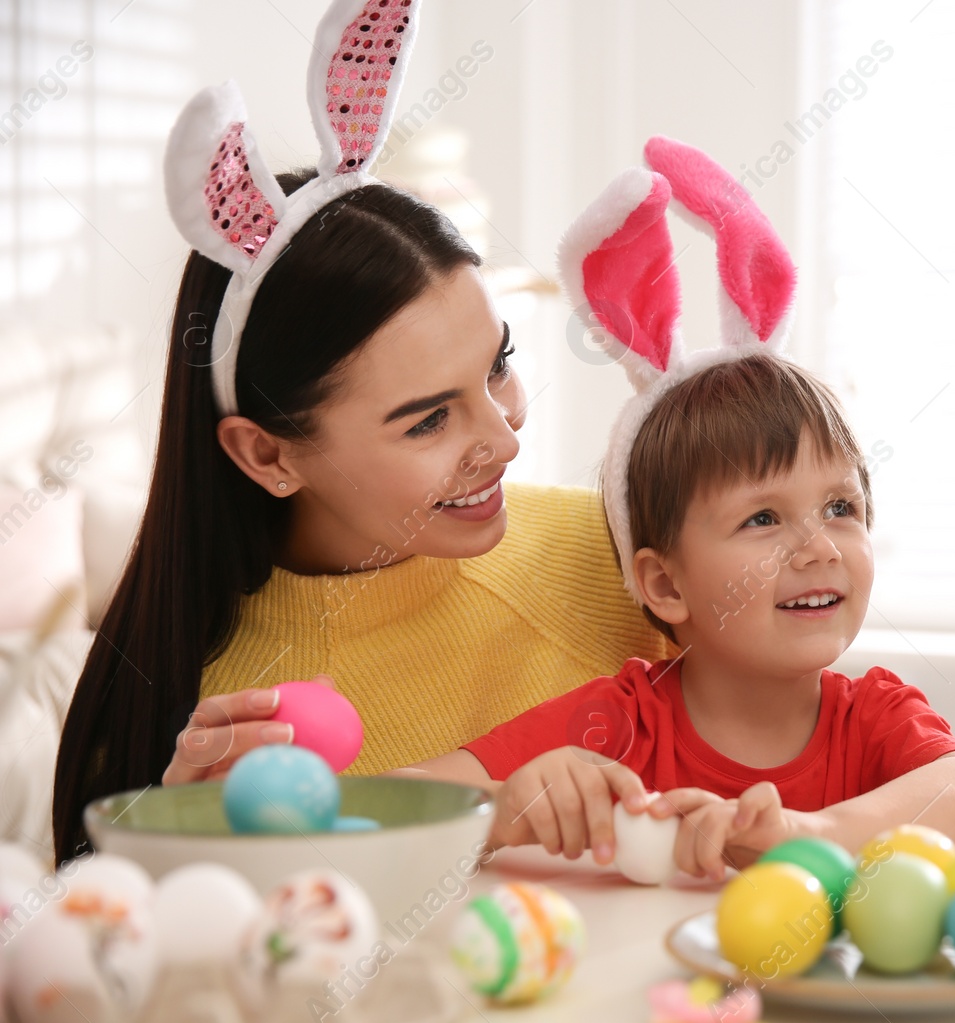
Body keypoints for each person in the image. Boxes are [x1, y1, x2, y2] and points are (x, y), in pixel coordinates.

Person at [49, 1, 669, 865]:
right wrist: (177, 857)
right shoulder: (219, 726)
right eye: (427, 419)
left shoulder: (625, 561)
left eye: (498, 364)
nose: (506, 436)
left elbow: (859, 745)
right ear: (266, 454)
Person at [404, 139, 955, 880]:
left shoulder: (872, 716)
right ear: (663, 584)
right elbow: (390, 807)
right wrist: (503, 807)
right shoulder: (621, 719)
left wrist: (812, 830)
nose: (819, 546)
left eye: (840, 506)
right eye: (762, 518)